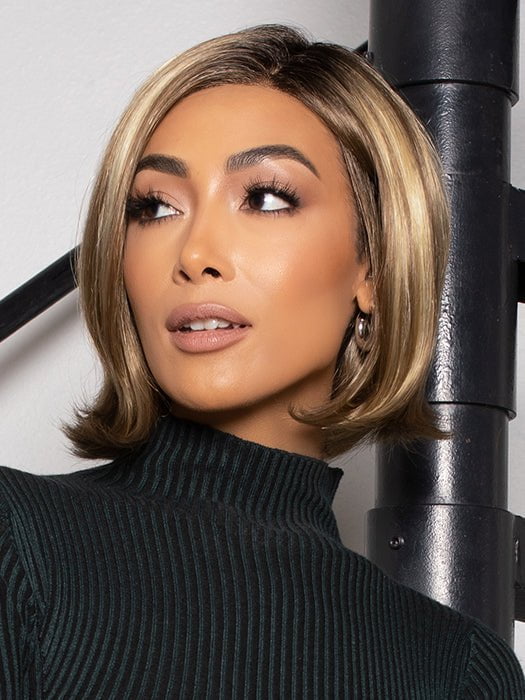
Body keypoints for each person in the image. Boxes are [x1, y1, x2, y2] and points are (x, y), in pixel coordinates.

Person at [0, 24, 523, 698]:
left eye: (266, 198)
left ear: (373, 264)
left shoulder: (460, 672)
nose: (194, 254)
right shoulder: (16, 542)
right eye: (154, 207)